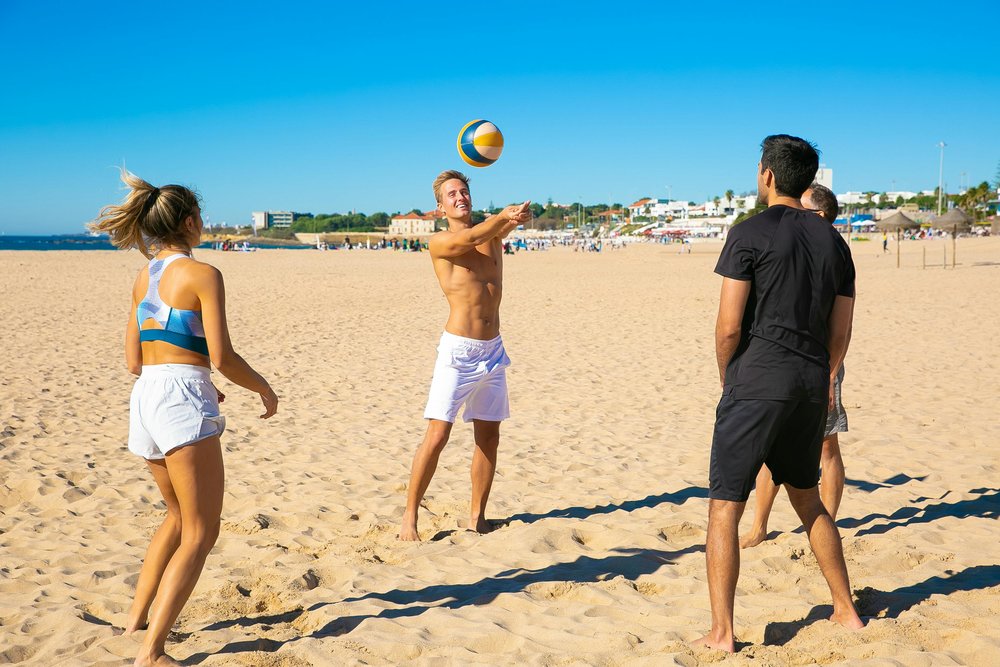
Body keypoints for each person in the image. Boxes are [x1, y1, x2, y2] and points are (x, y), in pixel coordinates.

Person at [90, 169, 279, 667]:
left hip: (146, 396)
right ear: (192, 222)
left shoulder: (143, 275)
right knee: (200, 532)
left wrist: (188, 371)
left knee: (175, 516)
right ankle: (151, 652)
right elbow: (224, 356)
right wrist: (263, 387)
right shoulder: (203, 274)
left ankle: (135, 621)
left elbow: (134, 360)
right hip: (180, 397)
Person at [694, 136, 863, 653]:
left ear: (767, 175)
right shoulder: (834, 241)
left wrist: (730, 377)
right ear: (807, 181)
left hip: (757, 382)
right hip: (811, 384)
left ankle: (723, 633)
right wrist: (822, 373)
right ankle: (845, 610)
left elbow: (727, 326)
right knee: (809, 500)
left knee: (725, 507)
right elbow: (841, 332)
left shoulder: (748, 232)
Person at [399, 170, 530, 541]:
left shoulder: (493, 236)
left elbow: (491, 233)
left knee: (489, 437)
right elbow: (474, 236)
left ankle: (478, 517)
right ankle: (409, 516)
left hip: (493, 350)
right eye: (452, 194)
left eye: (464, 191)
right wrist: (503, 219)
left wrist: (516, 219)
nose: (460, 197)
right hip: (459, 352)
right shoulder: (441, 243)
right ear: (440, 207)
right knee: (438, 434)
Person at [741, 182, 854, 549]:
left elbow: (843, 324)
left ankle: (827, 525)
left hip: (820, 363)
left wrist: (832, 370)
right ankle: (759, 525)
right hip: (781, 363)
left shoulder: (834, 250)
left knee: (826, 447)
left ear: (819, 215)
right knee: (768, 447)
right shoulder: (791, 243)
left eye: (801, 209)